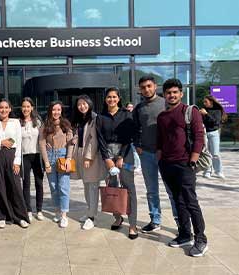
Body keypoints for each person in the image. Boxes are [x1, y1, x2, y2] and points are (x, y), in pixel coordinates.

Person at [157, 78, 208, 257]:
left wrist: (193, 160)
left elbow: (199, 137)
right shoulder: (162, 116)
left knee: (190, 201)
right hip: (167, 164)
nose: (171, 95)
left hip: (185, 163)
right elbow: (160, 140)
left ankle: (201, 239)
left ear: (181, 93)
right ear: (164, 95)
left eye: (175, 92)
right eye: (168, 93)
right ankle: (185, 234)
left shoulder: (190, 111)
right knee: (178, 201)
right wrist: (160, 159)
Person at [133, 76, 178, 233]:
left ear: (155, 86)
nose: (146, 89)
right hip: (146, 154)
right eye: (143, 87)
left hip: (165, 155)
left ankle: (180, 222)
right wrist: (137, 146)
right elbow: (136, 128)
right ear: (140, 89)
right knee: (151, 190)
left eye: (149, 86)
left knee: (171, 189)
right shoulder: (139, 108)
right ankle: (155, 219)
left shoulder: (166, 103)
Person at [96, 87, 138, 239]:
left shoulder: (127, 115)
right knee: (112, 187)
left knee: (129, 188)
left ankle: (132, 225)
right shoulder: (100, 117)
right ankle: (118, 217)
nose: (111, 99)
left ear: (119, 98)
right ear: (105, 99)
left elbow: (129, 137)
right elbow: (100, 139)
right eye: (109, 97)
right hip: (107, 155)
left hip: (125, 154)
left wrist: (121, 156)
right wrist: (107, 159)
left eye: (114, 97)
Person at [0, 99, 30, 229]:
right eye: (1, 108)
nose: (3, 110)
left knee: (16, 187)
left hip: (11, 157)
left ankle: (20, 217)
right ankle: (2, 215)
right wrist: (0, 142)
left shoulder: (15, 122)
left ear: (10, 109)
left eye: (6, 107)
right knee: (0, 188)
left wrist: (17, 162)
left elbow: (19, 143)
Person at [70, 95, 105, 230]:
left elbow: (93, 139)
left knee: (93, 186)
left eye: (84, 104)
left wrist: (89, 157)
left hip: (91, 157)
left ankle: (92, 217)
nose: (82, 106)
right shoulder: (80, 119)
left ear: (89, 104)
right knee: (86, 185)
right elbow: (78, 136)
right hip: (79, 154)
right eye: (79, 104)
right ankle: (89, 211)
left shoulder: (95, 118)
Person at [39, 101, 74, 228]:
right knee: (53, 187)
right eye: (54, 109)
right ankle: (58, 211)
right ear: (50, 111)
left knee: (63, 186)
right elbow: (42, 144)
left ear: (61, 111)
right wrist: (46, 162)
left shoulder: (66, 125)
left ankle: (64, 215)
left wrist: (69, 158)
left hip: (63, 156)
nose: (56, 112)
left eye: (58, 110)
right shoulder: (45, 125)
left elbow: (70, 143)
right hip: (50, 156)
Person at [20, 97, 45, 222]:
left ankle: (39, 210)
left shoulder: (38, 121)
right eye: (24, 106)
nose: (26, 109)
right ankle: (28, 210)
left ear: (32, 108)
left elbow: (43, 138)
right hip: (24, 156)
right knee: (25, 184)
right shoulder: (18, 122)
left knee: (39, 183)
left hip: (37, 156)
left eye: (28, 106)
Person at [200, 95, 227, 179]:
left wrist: (206, 114)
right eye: (203, 102)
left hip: (214, 133)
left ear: (211, 102)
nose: (204, 103)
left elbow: (215, 122)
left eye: (206, 102)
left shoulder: (217, 110)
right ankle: (207, 171)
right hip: (204, 133)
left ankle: (219, 171)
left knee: (215, 153)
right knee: (207, 153)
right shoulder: (203, 110)